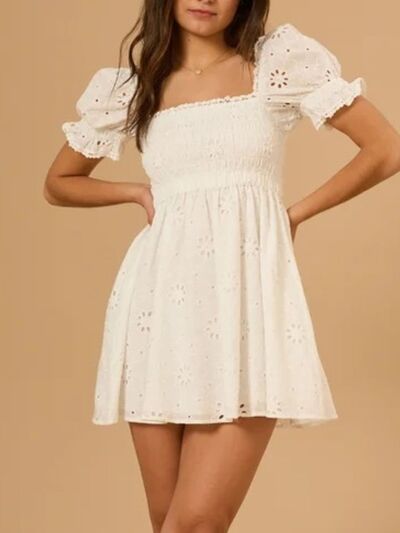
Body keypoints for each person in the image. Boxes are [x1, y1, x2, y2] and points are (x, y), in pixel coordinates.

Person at [44, 1, 400, 532]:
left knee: (196, 522)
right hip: (158, 312)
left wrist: (294, 215)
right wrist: (136, 191)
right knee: (167, 522)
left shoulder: (274, 63)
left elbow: (385, 148)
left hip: (244, 313)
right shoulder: (135, 87)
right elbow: (58, 183)